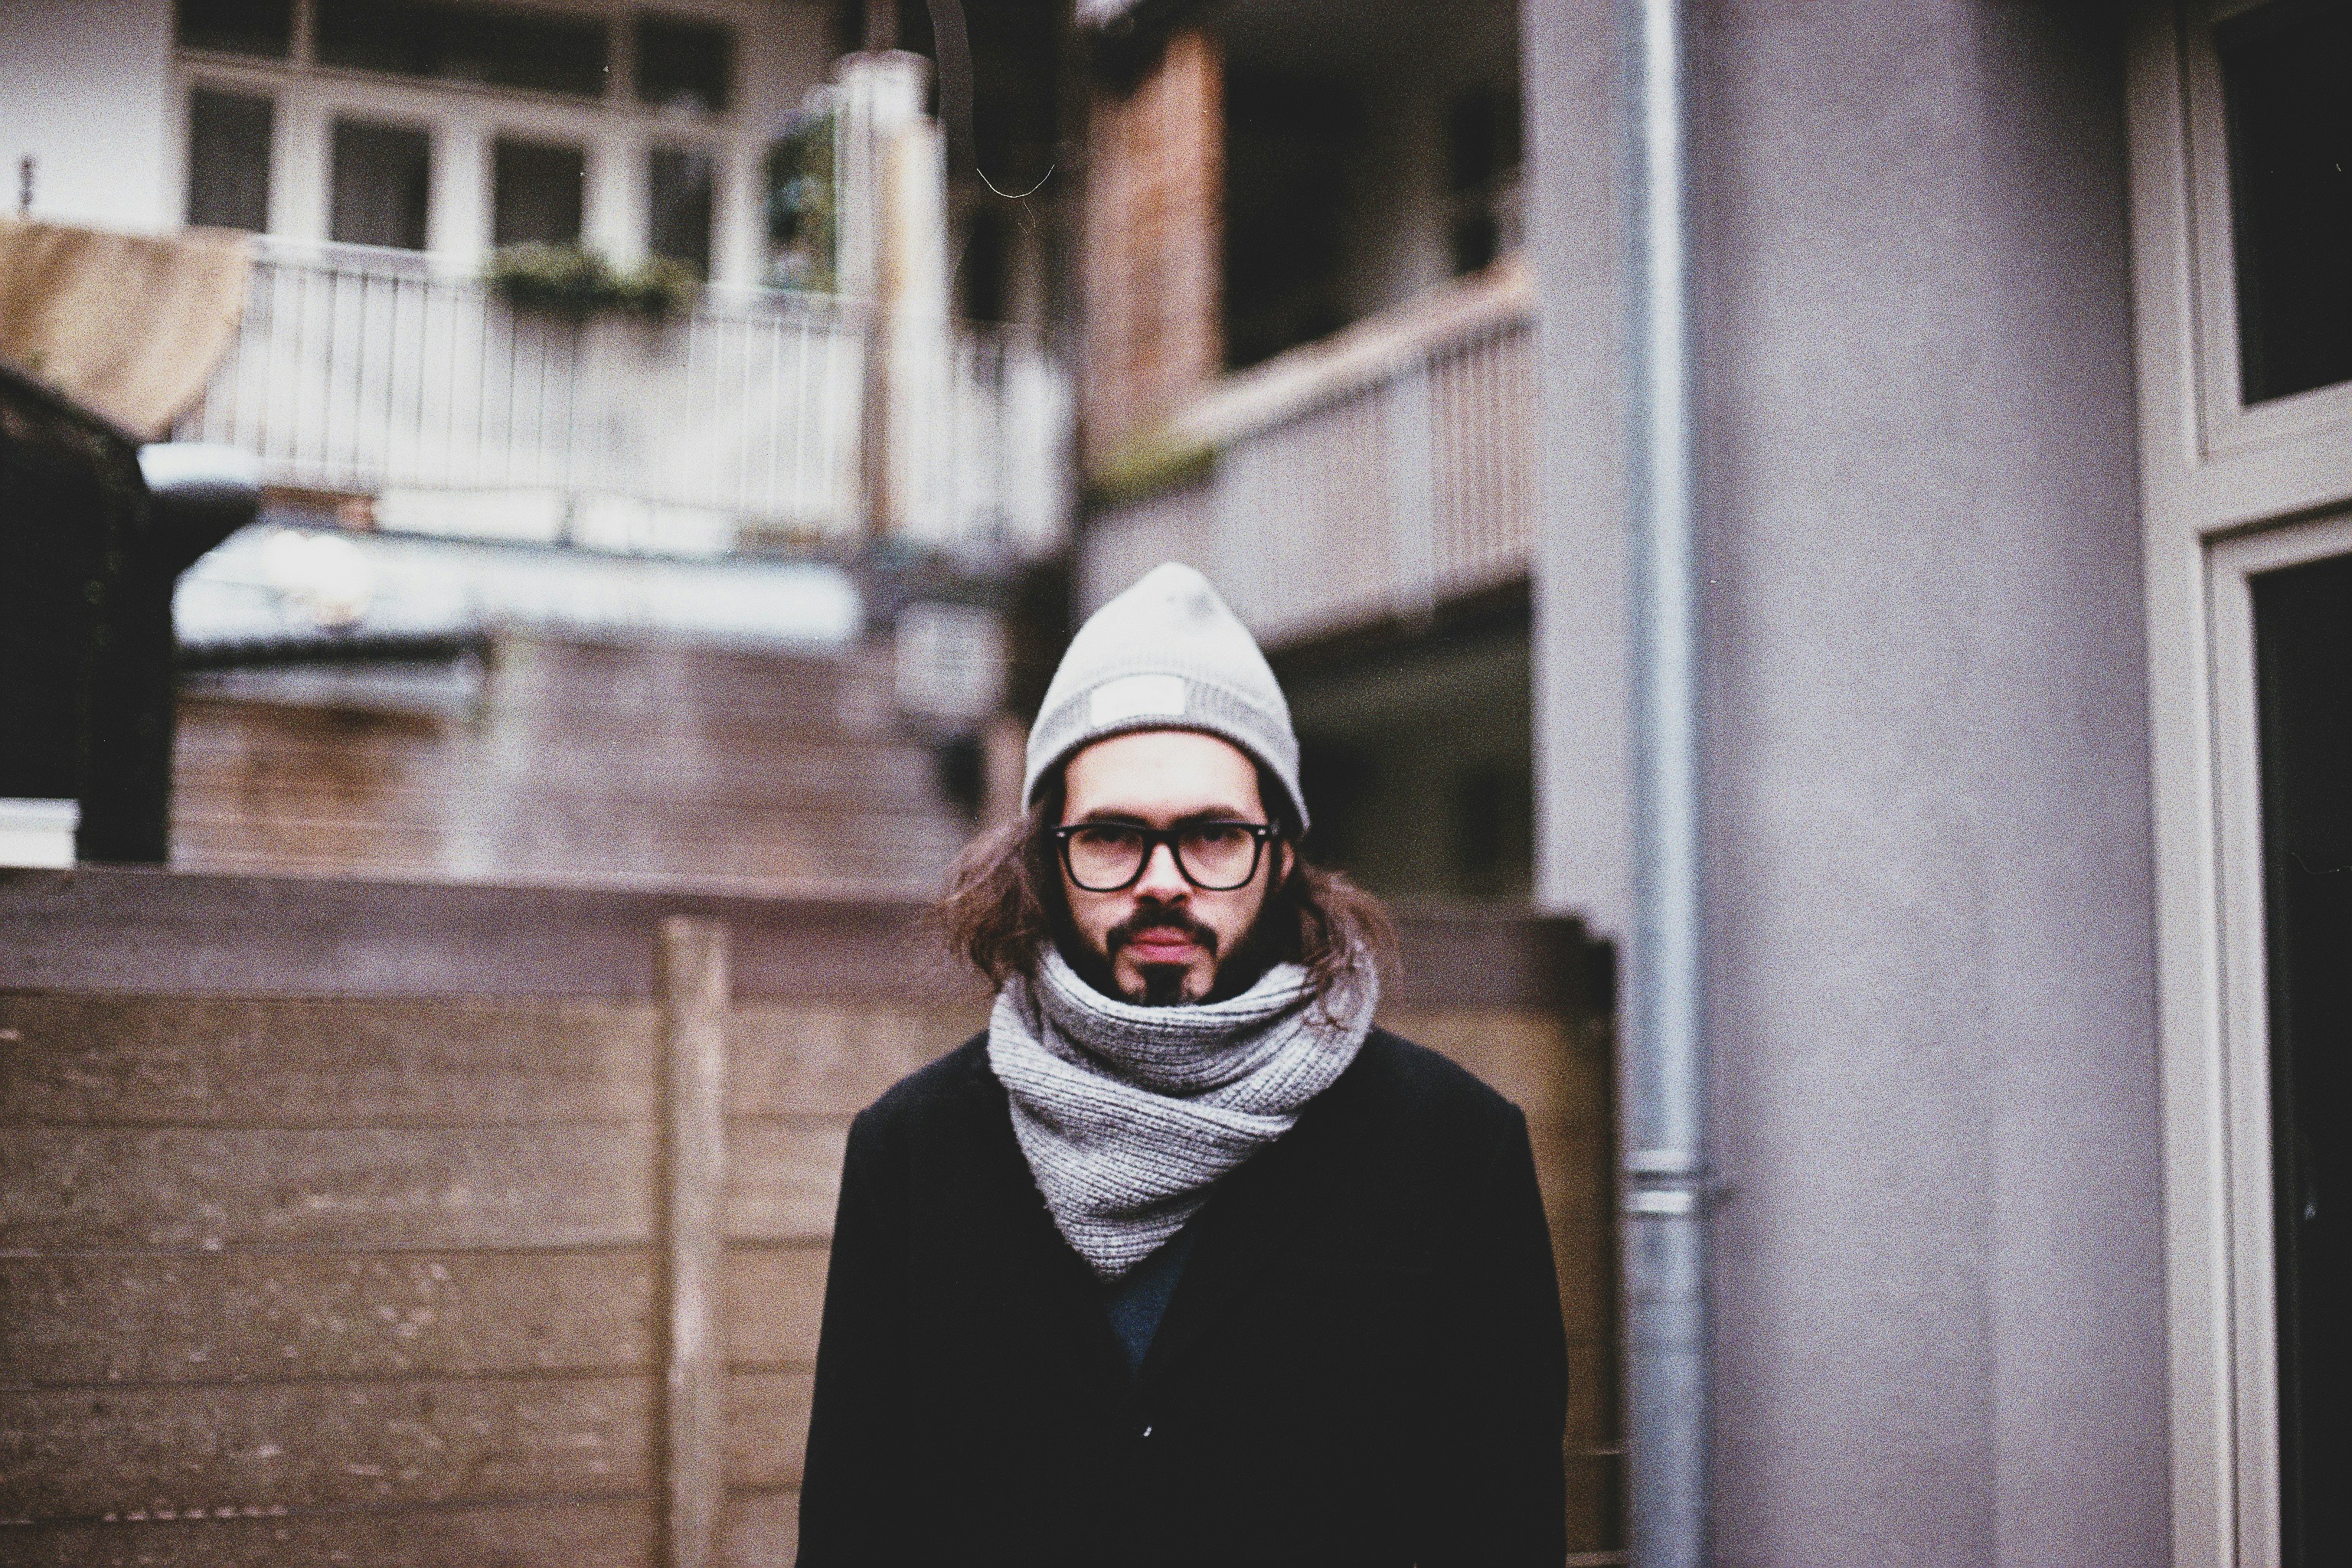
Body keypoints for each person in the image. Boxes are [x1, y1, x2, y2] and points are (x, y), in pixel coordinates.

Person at [796, 564, 1566, 1566]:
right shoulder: (915, 1150)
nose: (1164, 884)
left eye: (1211, 835)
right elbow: (859, 1531)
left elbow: (1499, 1531)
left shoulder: (1455, 1152)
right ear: (1043, 854)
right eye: (1113, 836)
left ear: (1282, 851)